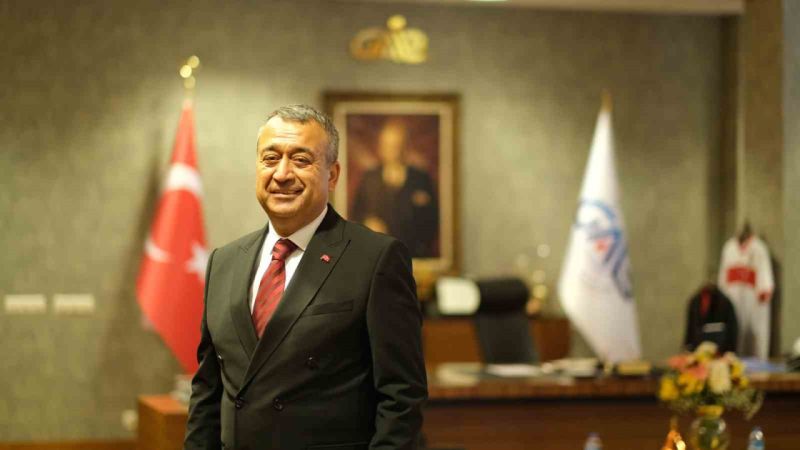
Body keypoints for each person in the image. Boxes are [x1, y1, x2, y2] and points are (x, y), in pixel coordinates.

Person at [184, 105, 427, 450]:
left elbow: (402, 398)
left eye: (301, 160)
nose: (282, 174)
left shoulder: (376, 259)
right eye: (270, 159)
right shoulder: (224, 262)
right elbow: (207, 392)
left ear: (332, 175)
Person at [351, 119, 438, 258]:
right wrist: (367, 224)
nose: (393, 151)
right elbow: (355, 215)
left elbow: (433, 220)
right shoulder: (369, 178)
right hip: (377, 256)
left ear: (406, 146)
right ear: (381, 147)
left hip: (413, 257)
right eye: (388, 145)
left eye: (398, 145)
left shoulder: (421, 179)